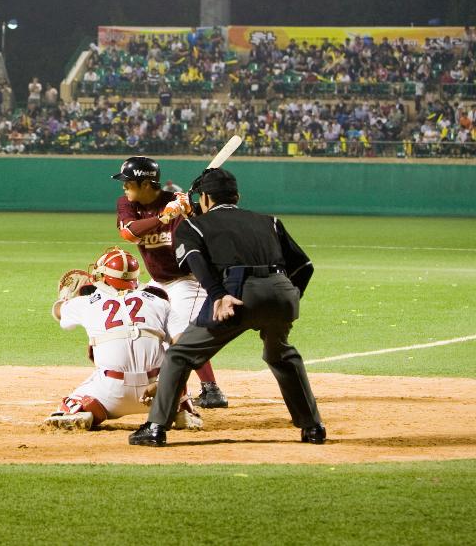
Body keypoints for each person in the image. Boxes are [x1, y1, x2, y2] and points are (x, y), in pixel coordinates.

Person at [129, 168, 324, 447]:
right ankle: (313, 427)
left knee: (180, 355)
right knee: (281, 355)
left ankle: (156, 427)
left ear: (205, 198)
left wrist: (219, 294)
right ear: (237, 196)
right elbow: (305, 267)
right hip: (282, 291)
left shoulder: (194, 226)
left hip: (235, 294)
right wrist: (289, 297)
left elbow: (196, 262)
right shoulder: (270, 221)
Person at [45, 247, 202, 432]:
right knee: (176, 378)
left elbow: (58, 311)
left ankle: (83, 410)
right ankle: (182, 408)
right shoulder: (160, 302)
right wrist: (166, 383)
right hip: (156, 392)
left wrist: (65, 299)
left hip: (112, 392)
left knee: (71, 403)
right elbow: (183, 344)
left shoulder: (85, 302)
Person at [113, 156, 228, 408]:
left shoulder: (175, 203)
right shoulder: (127, 204)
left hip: (188, 279)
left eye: (128, 183)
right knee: (145, 327)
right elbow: (128, 232)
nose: (124, 188)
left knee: (181, 335)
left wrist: (189, 211)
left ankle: (211, 390)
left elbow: (208, 231)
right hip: (159, 280)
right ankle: (154, 382)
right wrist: (162, 219)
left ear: (145, 184)